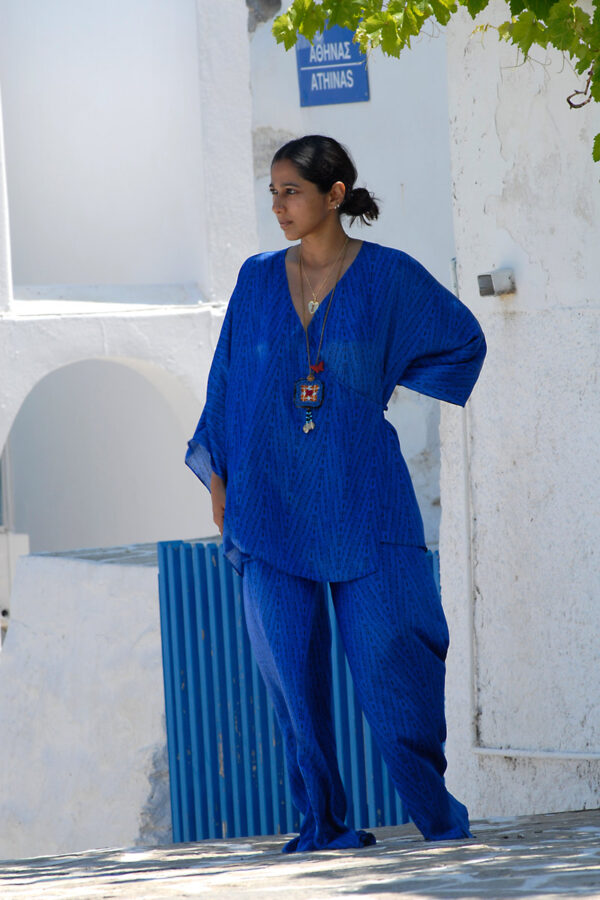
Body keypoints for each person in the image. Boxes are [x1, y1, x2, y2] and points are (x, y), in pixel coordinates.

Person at [186, 135, 486, 852]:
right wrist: (220, 479)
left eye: (291, 190)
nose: (279, 205)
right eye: (274, 192)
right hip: (267, 500)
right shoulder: (257, 279)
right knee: (289, 671)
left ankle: (438, 820)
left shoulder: (387, 278)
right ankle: (323, 825)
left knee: (394, 656)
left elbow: (461, 339)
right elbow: (227, 380)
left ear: (335, 195)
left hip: (363, 491)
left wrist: (377, 381)